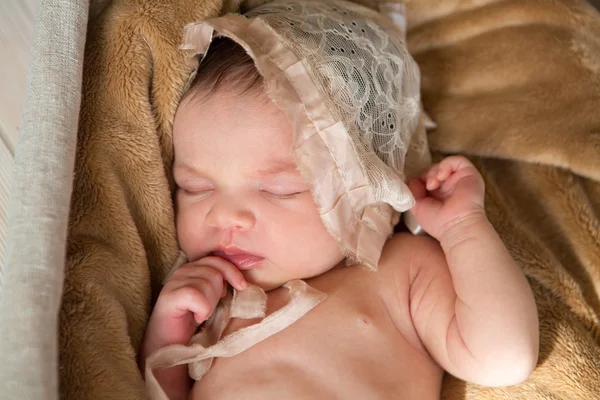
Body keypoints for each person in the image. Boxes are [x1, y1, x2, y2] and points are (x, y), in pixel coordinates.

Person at [139, 3, 539, 399]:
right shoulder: (209, 299)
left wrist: (462, 228)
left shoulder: (400, 271)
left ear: (367, 186)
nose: (223, 215)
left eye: (279, 190)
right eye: (195, 188)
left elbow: (505, 357)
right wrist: (167, 333)